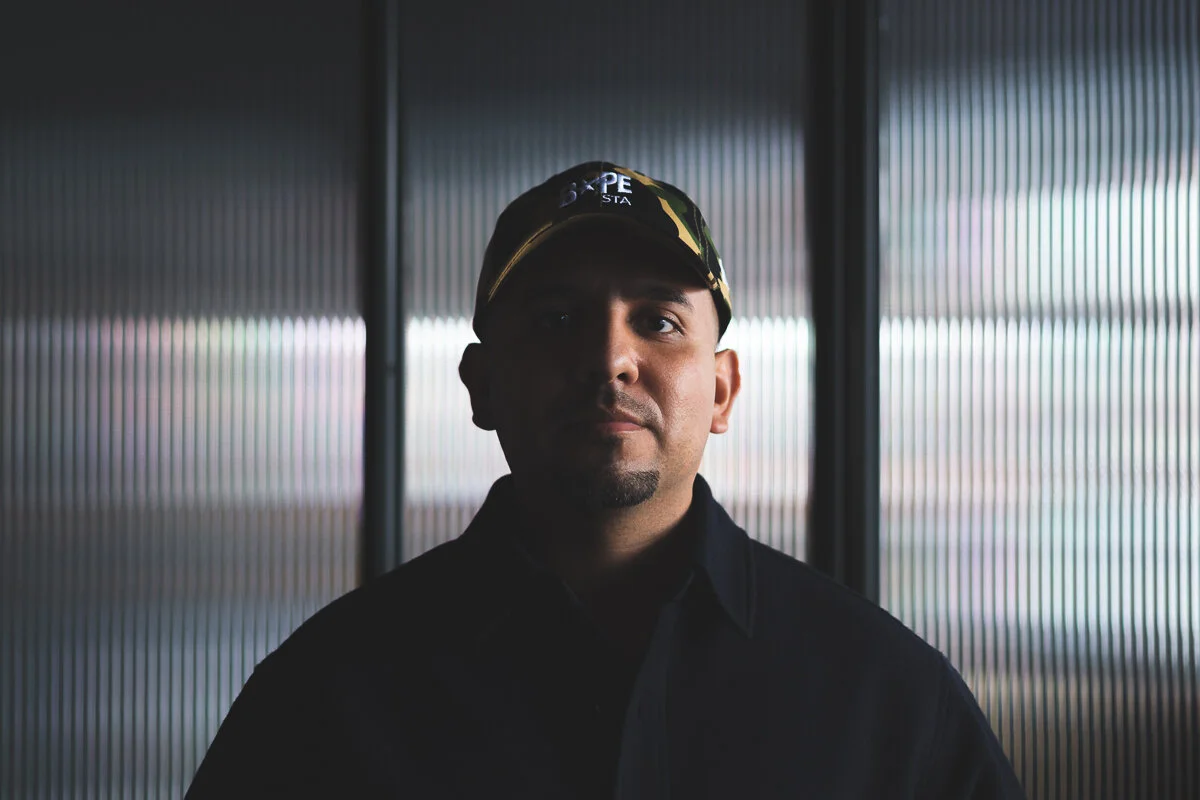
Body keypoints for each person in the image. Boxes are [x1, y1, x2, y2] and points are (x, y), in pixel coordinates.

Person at [186, 161, 1025, 798]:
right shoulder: (327, 697)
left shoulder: (886, 699)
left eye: (658, 321)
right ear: (481, 386)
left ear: (723, 389)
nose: (610, 358)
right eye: (557, 319)